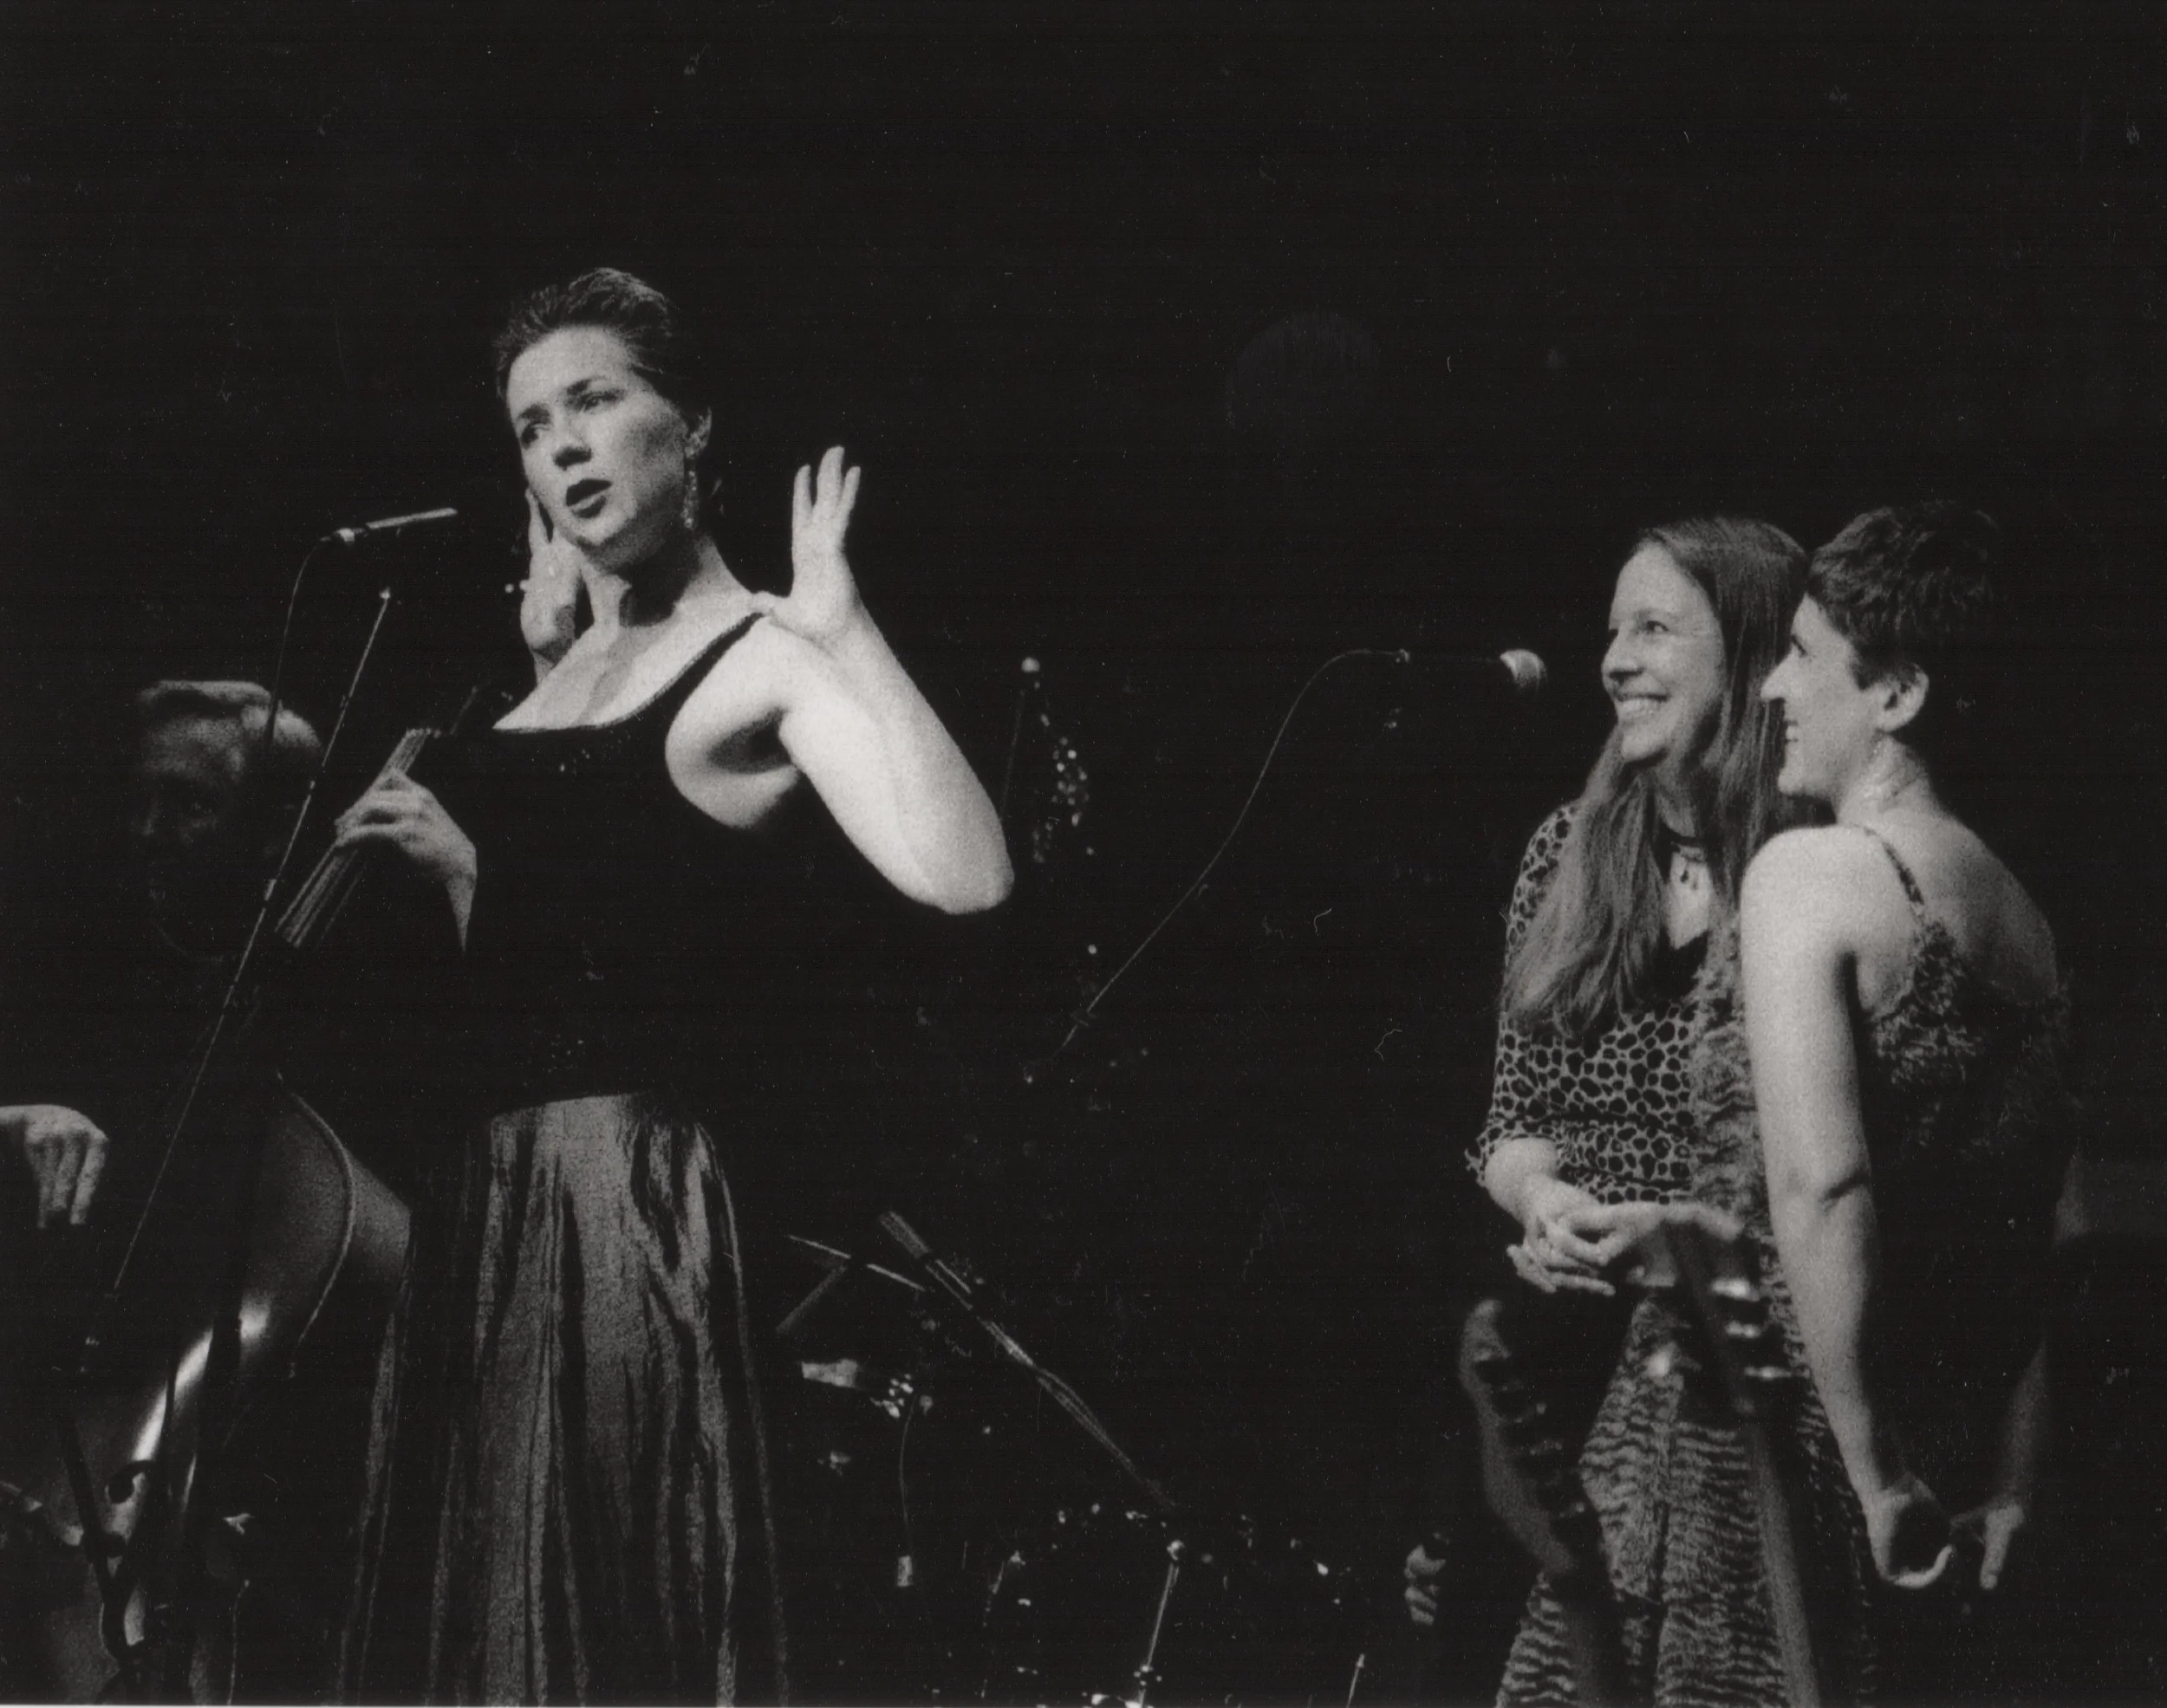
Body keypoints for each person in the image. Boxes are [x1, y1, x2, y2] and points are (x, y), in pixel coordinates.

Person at [331, 267, 1013, 1705]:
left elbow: (966, 877)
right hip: (486, 1208)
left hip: (616, 1205)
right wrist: (553, 677)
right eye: (531, 426)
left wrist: (841, 628)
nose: (562, 447)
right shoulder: (536, 680)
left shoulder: (758, 651)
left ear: (692, 428)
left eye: (596, 402)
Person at [1402, 520, 1806, 1661]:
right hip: (1555, 1318)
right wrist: (1546, 1206)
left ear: (1754, 655)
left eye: (1655, 629)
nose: (1615, 660)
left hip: (1717, 1345)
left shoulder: (1807, 870)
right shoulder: (1566, 850)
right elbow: (1510, 1124)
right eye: (1611, 631)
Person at [1736, 504, 2071, 1697]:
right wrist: (2015, 1479)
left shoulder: (1809, 875)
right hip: (1959, 1472)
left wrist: (1874, 1476)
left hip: (1804, 1458)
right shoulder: (2029, 923)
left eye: (1805, 653)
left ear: (1898, 693)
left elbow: (1823, 1188)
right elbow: (2035, 1248)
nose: (1773, 683)